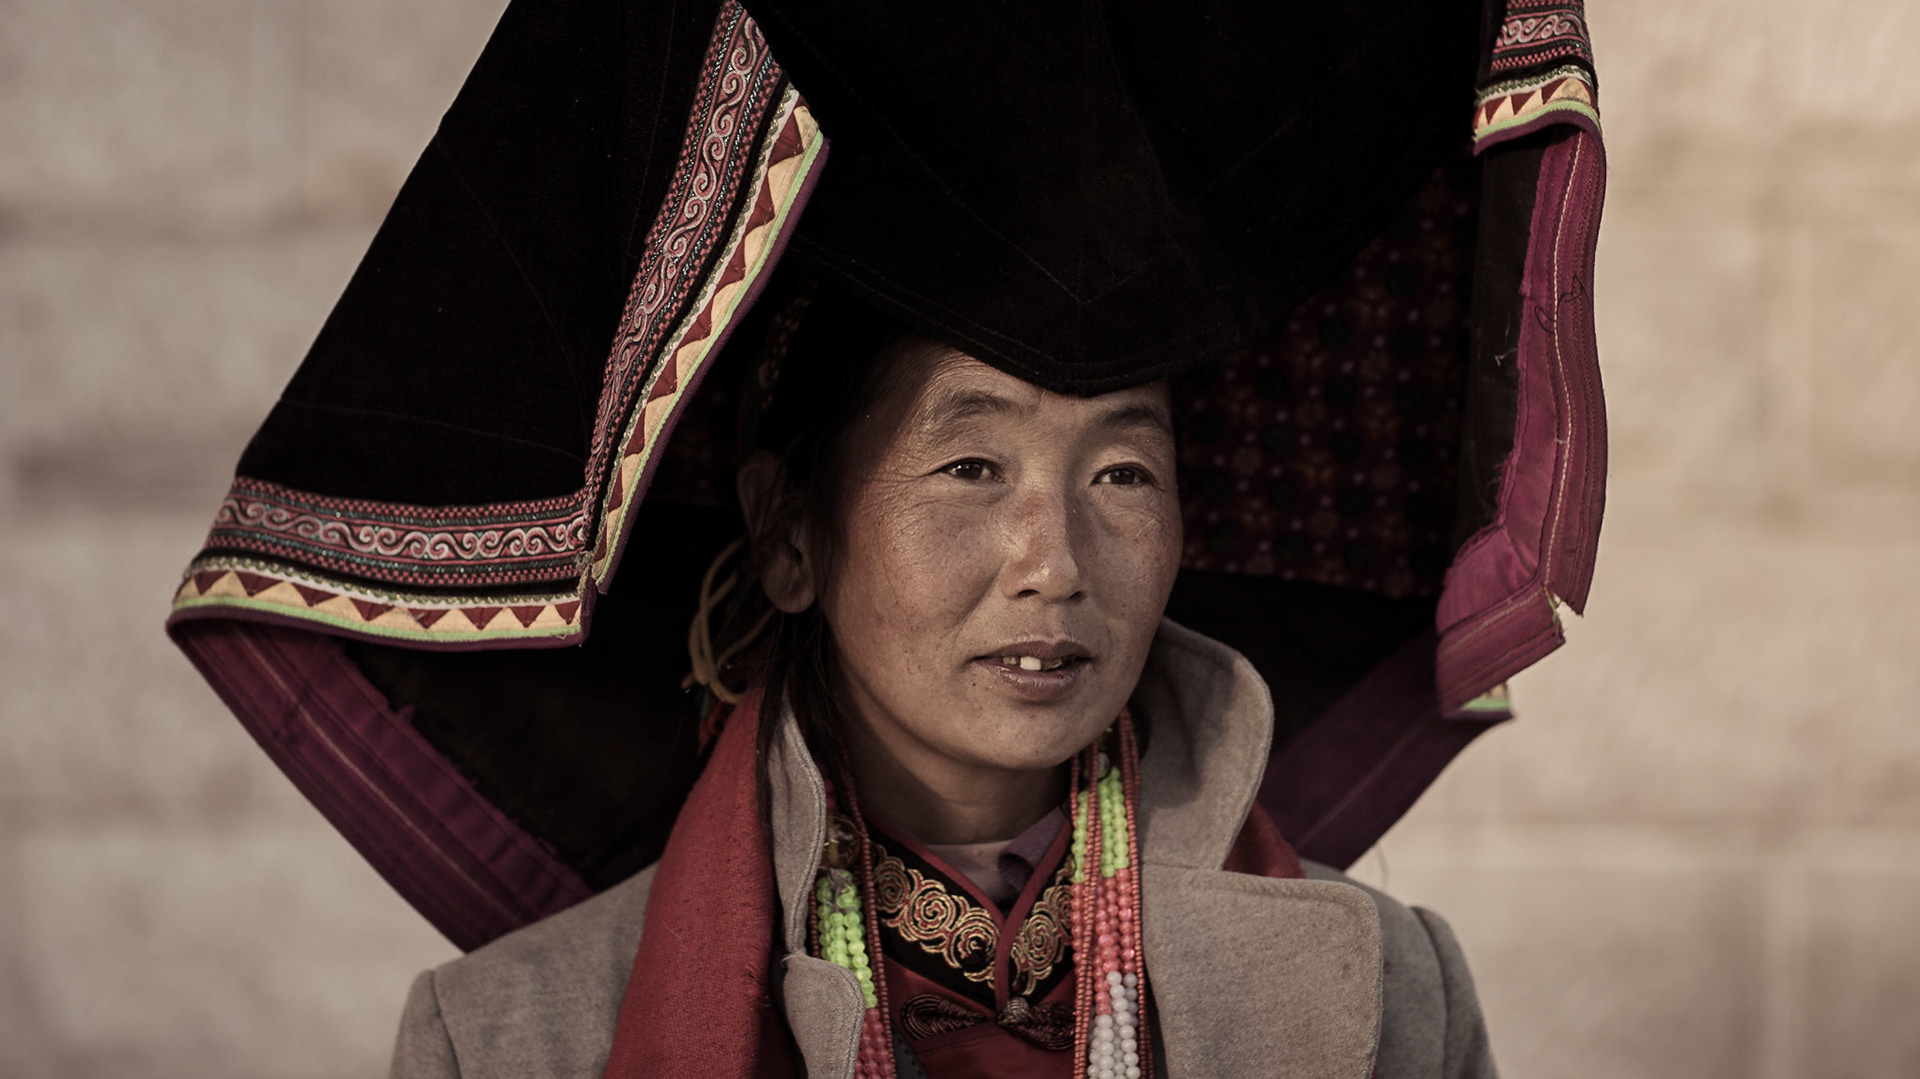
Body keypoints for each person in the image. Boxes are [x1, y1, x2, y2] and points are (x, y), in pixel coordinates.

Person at [162, 1, 1606, 1075]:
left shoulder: (1395, 1004)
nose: (1055, 559)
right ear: (790, 533)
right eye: (972, 464)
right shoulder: (513, 1043)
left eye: (1121, 474)